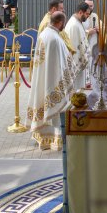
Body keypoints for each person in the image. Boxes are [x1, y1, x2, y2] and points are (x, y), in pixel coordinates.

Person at [25, 11, 77, 150]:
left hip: (44, 78)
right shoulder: (55, 38)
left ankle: (45, 139)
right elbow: (62, 64)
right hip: (54, 80)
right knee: (56, 112)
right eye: (63, 23)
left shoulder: (44, 34)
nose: (64, 26)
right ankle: (55, 140)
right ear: (59, 22)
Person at [64, 2, 90, 89]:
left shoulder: (77, 22)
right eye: (86, 14)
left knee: (80, 88)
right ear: (80, 12)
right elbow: (75, 47)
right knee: (77, 89)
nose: (88, 16)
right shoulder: (74, 25)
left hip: (79, 63)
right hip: (76, 65)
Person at [81, 0, 99, 88]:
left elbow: (102, 29)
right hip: (83, 47)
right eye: (88, 5)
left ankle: (93, 83)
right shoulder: (81, 16)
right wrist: (88, 32)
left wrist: (99, 29)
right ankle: (84, 84)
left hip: (93, 45)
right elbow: (78, 31)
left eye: (91, 6)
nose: (90, 8)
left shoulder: (95, 16)